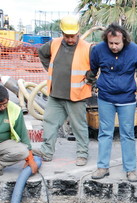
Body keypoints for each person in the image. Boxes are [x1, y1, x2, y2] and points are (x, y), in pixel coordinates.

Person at [89, 23, 137, 182]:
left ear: (124, 41)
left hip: (127, 99)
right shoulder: (98, 50)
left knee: (127, 134)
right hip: (105, 98)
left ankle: (130, 169)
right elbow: (93, 68)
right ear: (106, 40)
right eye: (111, 43)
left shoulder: (136, 51)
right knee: (105, 133)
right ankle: (102, 167)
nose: (114, 47)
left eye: (117, 43)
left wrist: (132, 84)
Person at [34, 15, 92, 167]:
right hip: (56, 94)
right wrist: (50, 70)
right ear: (62, 33)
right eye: (67, 36)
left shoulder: (87, 47)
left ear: (78, 33)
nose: (70, 39)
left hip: (77, 96)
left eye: (73, 36)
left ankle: (82, 154)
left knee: (78, 126)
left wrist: (90, 78)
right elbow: (42, 53)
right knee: (49, 123)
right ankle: (47, 152)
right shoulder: (54, 44)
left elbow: (96, 66)